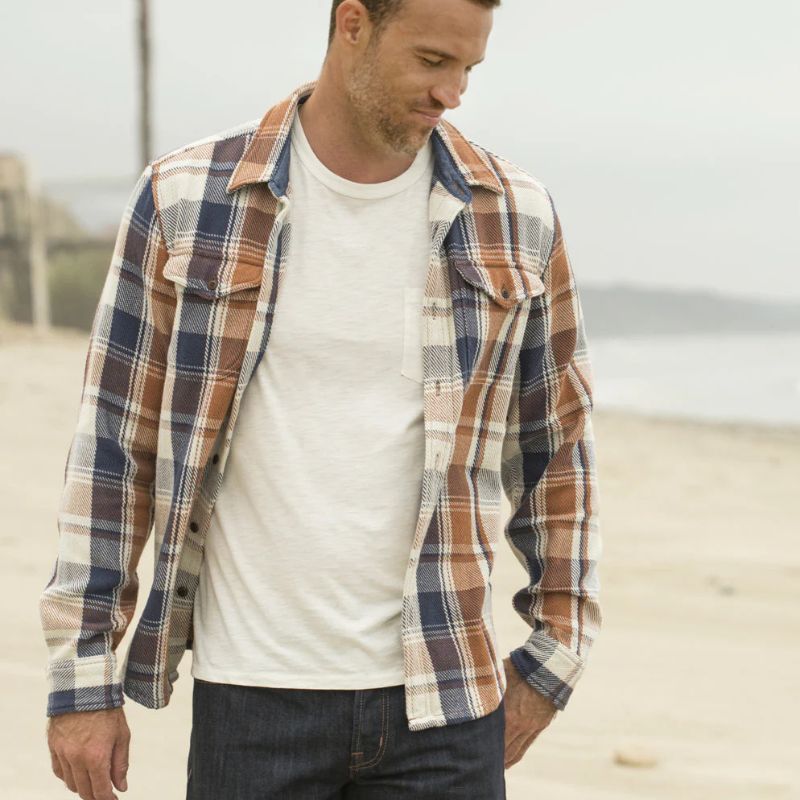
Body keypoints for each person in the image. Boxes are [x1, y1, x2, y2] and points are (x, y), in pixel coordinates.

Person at [40, 0, 603, 797]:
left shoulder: (514, 214)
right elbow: (113, 447)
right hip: (253, 698)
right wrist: (82, 677)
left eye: (468, 68)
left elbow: (557, 446)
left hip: (445, 700)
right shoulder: (188, 197)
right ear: (353, 24)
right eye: (432, 61)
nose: (452, 94)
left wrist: (554, 655)